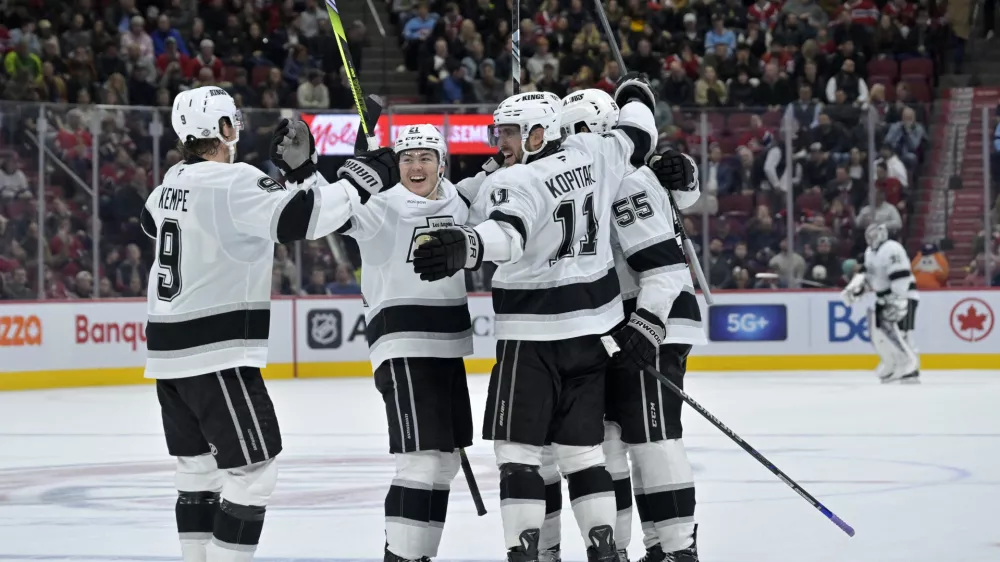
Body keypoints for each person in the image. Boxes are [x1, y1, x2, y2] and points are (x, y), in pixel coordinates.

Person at [411, 74, 691, 562]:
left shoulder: (536, 179)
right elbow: (639, 132)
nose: (500, 143)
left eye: (509, 133)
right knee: (593, 451)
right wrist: (636, 98)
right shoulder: (601, 158)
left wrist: (468, 244)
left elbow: (509, 235)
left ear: (543, 131)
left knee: (553, 450)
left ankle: (660, 549)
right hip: (599, 329)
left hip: (576, 328)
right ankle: (611, 551)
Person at [139, 86, 391, 562]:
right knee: (255, 473)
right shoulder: (233, 182)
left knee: (197, 471)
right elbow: (306, 219)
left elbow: (151, 223)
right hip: (215, 352)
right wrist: (363, 177)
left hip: (167, 354)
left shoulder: (170, 180)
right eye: (232, 121)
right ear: (224, 129)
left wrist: (298, 175)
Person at [270, 122, 479, 562]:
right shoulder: (381, 204)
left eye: (425, 157)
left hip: (448, 349)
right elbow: (333, 213)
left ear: (443, 163)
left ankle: (419, 554)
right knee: (419, 463)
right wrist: (305, 171)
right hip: (403, 347)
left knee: (445, 463)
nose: (415, 165)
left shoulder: (460, 200)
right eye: (406, 158)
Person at [535, 89, 705, 562]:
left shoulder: (626, 180)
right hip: (617, 325)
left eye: (583, 131)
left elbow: (664, 268)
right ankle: (629, 547)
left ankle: (676, 549)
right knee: (611, 439)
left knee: (654, 436)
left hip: (652, 320)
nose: (574, 143)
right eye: (566, 134)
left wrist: (647, 323)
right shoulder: (584, 183)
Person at [840, 223, 920, 383]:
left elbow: (901, 276)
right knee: (879, 336)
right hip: (883, 298)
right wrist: (856, 289)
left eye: (874, 235)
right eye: (869, 236)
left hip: (902, 297)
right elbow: (871, 277)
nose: (871, 239)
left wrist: (896, 298)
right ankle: (891, 363)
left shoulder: (892, 248)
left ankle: (910, 366)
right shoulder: (870, 252)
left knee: (900, 334)